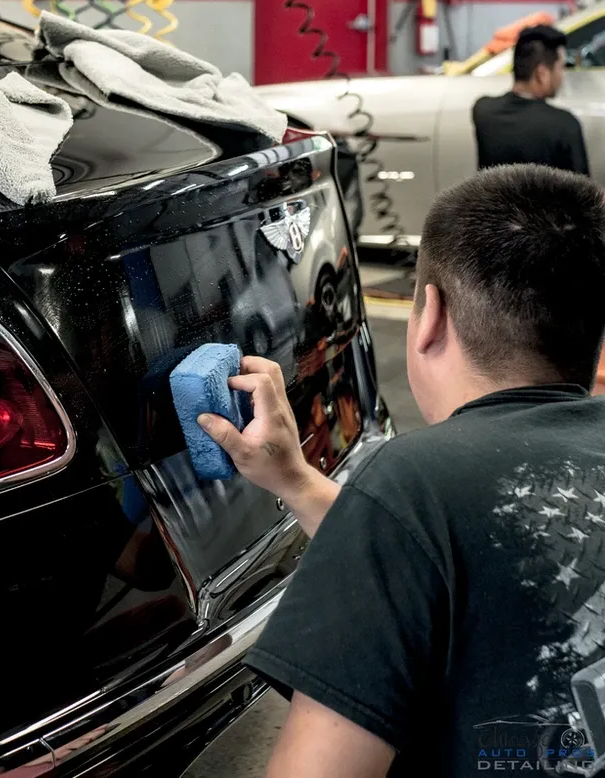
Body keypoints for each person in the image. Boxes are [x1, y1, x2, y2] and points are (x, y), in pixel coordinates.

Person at [197, 164, 605, 777]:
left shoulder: (412, 479)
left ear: (430, 315)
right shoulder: (421, 501)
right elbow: (453, 550)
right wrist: (296, 480)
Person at [473, 25, 590, 174]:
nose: (562, 75)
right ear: (542, 74)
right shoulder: (565, 126)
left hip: (494, 198)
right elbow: (583, 193)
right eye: (560, 67)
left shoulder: (483, 111)